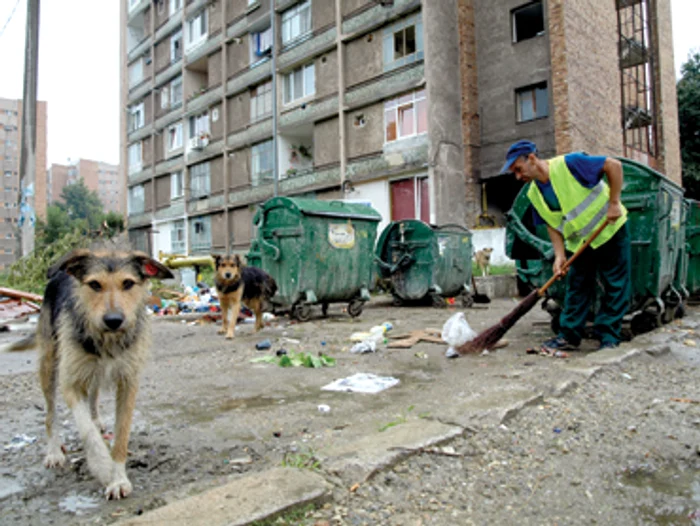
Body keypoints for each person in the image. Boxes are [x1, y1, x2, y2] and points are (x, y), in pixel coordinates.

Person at [501, 140, 631, 351]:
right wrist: (560, 256)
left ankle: (608, 337)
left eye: (518, 169)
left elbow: (613, 165)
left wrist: (614, 202)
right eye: (514, 172)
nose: (517, 176)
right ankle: (569, 336)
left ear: (532, 158)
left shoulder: (570, 164)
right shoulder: (533, 193)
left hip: (609, 230)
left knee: (615, 284)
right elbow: (553, 224)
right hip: (580, 242)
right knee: (577, 287)